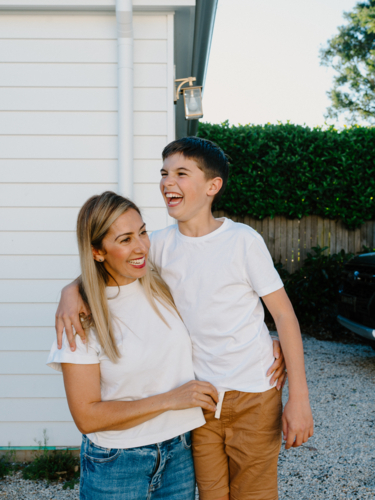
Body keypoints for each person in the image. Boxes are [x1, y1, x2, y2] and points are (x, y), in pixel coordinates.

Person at [55, 137, 306, 500]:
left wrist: (298, 397)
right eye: (164, 173)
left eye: (181, 173)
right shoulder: (158, 244)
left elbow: (284, 314)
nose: (167, 182)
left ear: (212, 186)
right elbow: (110, 262)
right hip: (200, 401)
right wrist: (71, 291)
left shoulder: (242, 241)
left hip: (256, 391)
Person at [47, 192, 221, 500]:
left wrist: (267, 342)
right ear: (98, 252)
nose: (141, 246)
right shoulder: (82, 318)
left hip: (179, 452)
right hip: (117, 463)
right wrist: (170, 399)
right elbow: (87, 417)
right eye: (125, 239)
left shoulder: (162, 280)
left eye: (142, 232)